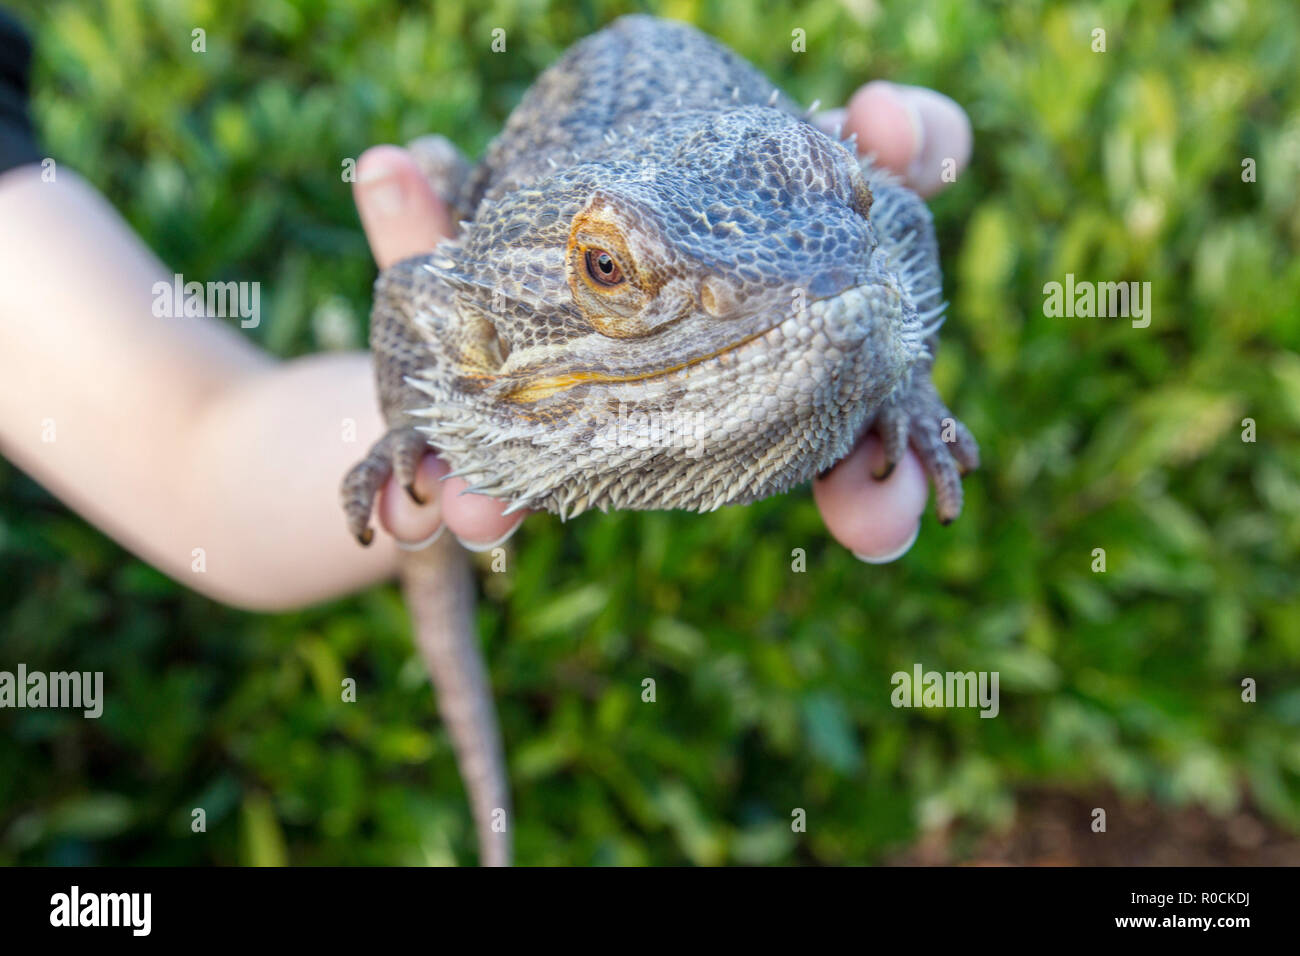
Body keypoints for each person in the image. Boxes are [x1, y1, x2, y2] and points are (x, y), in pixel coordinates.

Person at [0, 10, 973, 611]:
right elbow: (411, 290)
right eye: (606, 268)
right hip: (578, 178)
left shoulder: (809, 202)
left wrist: (908, 379)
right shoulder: (489, 289)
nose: (822, 293)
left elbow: (885, 215)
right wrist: (414, 423)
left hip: (707, 129)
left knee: (862, 170)